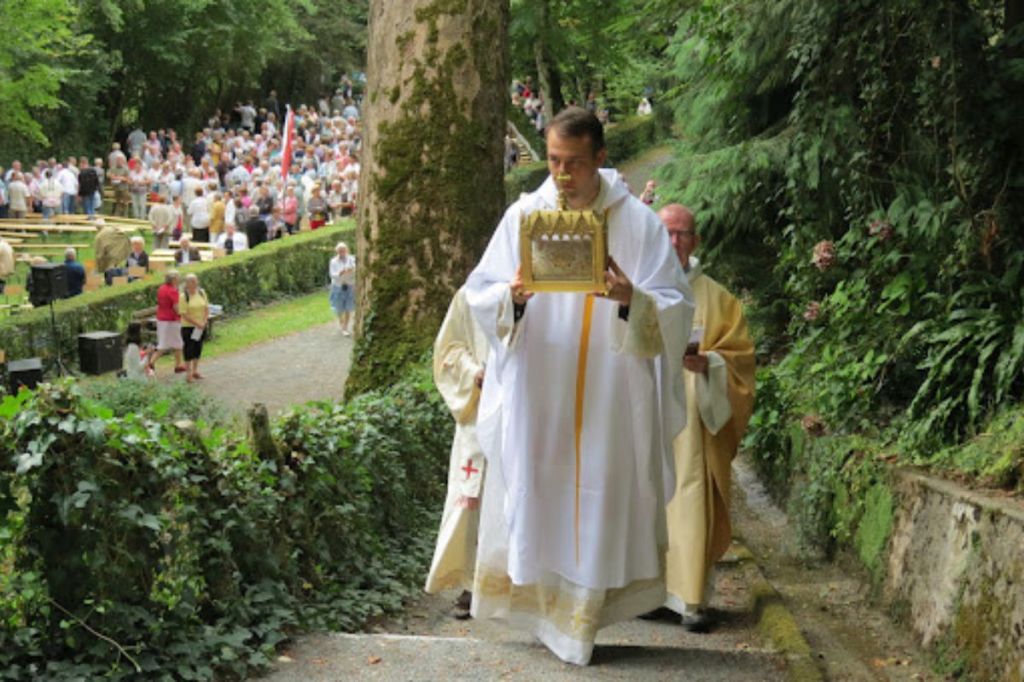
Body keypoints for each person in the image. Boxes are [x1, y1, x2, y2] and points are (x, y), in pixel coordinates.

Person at [463, 107, 694, 665]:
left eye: (573, 163)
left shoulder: (636, 224)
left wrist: (630, 299)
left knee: (598, 494)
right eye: (553, 161)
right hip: (541, 386)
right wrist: (512, 298)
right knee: (539, 489)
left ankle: (583, 624)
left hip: (611, 392)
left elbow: (676, 306)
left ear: (600, 159)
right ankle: (546, 616)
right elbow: (479, 293)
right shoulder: (524, 216)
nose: (561, 175)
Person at [657, 204, 756, 632]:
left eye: (682, 234)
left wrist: (711, 365)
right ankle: (647, 595)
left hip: (696, 424)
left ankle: (690, 600)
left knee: (690, 501)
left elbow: (740, 362)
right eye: (666, 234)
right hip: (648, 416)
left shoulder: (719, 300)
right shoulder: (639, 288)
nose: (674, 242)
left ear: (695, 241)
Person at [425, 286, 490, 619]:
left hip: (526, 415)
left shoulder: (546, 293)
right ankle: (472, 582)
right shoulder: (472, 294)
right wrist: (475, 373)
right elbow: (448, 350)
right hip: (480, 412)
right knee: (473, 498)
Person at [147, 270, 186, 375]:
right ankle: (150, 363)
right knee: (174, 343)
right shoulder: (173, 291)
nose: (179, 280)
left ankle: (178, 365)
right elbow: (176, 307)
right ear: (173, 280)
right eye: (178, 278)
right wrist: (184, 314)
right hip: (171, 320)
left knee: (169, 343)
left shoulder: (162, 288)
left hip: (162, 319)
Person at [177, 273, 209, 383]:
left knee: (198, 348)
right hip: (189, 327)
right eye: (193, 281)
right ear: (188, 284)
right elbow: (184, 313)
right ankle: (188, 373)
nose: (196, 283)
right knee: (189, 349)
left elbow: (206, 307)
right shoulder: (183, 296)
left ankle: (195, 370)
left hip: (200, 326)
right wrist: (197, 323)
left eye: (196, 281)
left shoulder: (201, 292)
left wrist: (204, 321)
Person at [328, 242, 356, 335]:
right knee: (339, 307)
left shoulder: (352, 259)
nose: (342, 252)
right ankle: (341, 323)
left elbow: (356, 270)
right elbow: (332, 274)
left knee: (348, 306)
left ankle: (345, 327)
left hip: (350, 285)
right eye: (340, 251)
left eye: (343, 250)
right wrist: (340, 273)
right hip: (338, 286)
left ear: (347, 250)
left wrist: (351, 270)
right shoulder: (333, 261)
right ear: (337, 252)